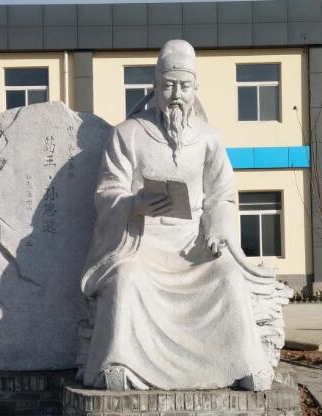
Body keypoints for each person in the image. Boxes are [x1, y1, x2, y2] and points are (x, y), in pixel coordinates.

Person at [76, 40, 285, 391]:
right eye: (169, 85)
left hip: (193, 244)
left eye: (184, 86)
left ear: (196, 87)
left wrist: (217, 230)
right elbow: (107, 192)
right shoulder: (128, 134)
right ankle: (122, 364)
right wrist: (135, 204)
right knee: (127, 279)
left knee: (228, 276)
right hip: (143, 244)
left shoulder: (209, 138)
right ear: (155, 85)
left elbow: (222, 195)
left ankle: (243, 364)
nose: (176, 95)